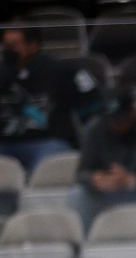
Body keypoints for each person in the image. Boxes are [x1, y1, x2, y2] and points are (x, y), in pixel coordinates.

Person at [0, 27, 102, 173]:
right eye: (6, 45)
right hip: (4, 143)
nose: (9, 50)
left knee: (51, 168)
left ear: (33, 45)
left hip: (47, 141)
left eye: (14, 45)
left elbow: (93, 103)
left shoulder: (60, 70)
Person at [67, 88, 136, 231]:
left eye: (121, 120)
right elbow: (82, 172)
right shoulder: (94, 128)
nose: (117, 125)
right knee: (78, 194)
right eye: (112, 121)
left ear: (133, 111)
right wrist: (96, 179)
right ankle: (83, 245)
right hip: (108, 189)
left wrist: (133, 180)